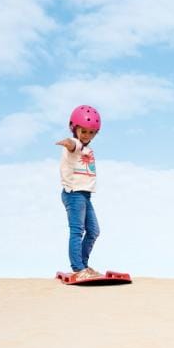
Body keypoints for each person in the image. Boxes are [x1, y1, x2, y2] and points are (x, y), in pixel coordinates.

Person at [56, 105, 102, 281]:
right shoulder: (75, 144)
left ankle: (83, 265)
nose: (87, 136)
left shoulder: (88, 150)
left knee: (94, 231)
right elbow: (71, 144)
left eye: (92, 133)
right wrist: (67, 142)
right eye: (83, 131)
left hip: (85, 195)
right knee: (77, 231)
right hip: (74, 194)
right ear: (74, 128)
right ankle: (78, 268)